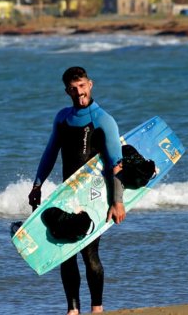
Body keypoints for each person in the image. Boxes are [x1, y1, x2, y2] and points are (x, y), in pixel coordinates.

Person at [28, 66, 126, 314]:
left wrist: (118, 201)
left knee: (89, 252)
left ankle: (97, 309)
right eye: (73, 88)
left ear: (90, 84)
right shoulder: (62, 118)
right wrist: (37, 185)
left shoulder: (103, 119)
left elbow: (116, 162)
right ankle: (72, 309)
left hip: (93, 194)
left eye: (82, 86)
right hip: (67, 194)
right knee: (64, 252)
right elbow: (50, 153)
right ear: (66, 91)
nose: (78, 92)